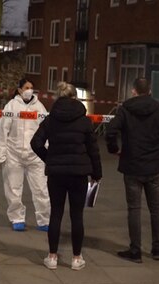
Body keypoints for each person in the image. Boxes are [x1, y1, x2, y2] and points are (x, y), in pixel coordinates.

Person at [31, 81, 102, 271]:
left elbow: (35, 143)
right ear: (74, 96)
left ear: (57, 97)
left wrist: (50, 159)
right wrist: (97, 173)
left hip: (56, 174)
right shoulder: (85, 120)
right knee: (77, 216)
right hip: (79, 174)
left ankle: (52, 257)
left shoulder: (50, 119)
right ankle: (76, 258)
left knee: (56, 213)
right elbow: (93, 150)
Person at [105, 78, 159, 263]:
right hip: (154, 165)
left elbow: (111, 130)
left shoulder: (125, 109)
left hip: (132, 165)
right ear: (149, 90)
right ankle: (157, 249)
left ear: (133, 91)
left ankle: (136, 250)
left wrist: (113, 149)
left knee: (134, 208)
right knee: (155, 208)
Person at [0, 78, 50, 232]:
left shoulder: (39, 108)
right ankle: (17, 218)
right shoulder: (11, 106)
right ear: (19, 90)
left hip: (35, 156)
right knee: (13, 188)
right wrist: (1, 154)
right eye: (26, 87)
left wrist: (46, 152)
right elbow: (3, 131)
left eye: (31, 87)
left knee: (41, 189)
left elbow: (46, 130)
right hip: (14, 154)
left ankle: (44, 219)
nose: (29, 90)